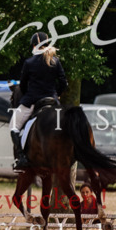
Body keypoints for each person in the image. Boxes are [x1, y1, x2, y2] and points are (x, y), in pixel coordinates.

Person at [10, 31, 69, 170]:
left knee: (13, 126)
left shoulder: (29, 62)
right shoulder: (55, 61)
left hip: (33, 101)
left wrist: (26, 95)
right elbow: (63, 82)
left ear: (34, 45)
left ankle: (21, 158)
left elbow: (23, 85)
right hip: (53, 101)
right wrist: (57, 95)